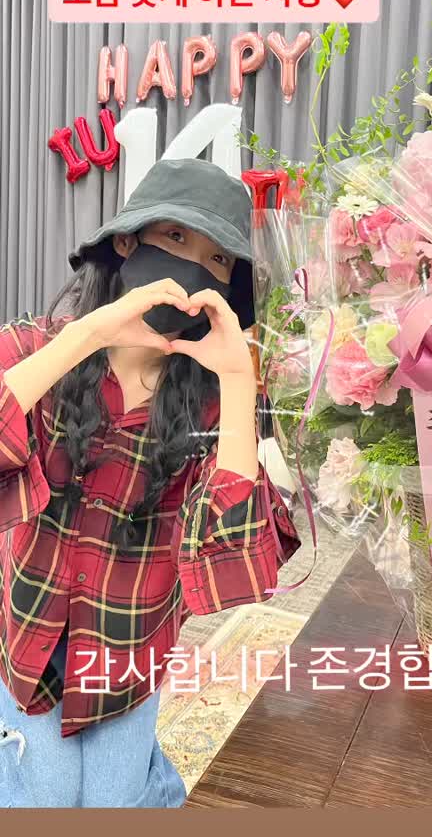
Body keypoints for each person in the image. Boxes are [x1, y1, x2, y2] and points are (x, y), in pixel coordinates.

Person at [0, 158, 301, 808]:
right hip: (27, 640)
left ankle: (143, 774)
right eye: (177, 238)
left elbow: (235, 559)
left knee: (110, 804)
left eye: (217, 259)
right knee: (44, 799)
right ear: (128, 243)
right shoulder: (35, 347)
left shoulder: (213, 404)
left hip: (126, 651)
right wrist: (89, 333)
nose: (193, 268)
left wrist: (238, 380)